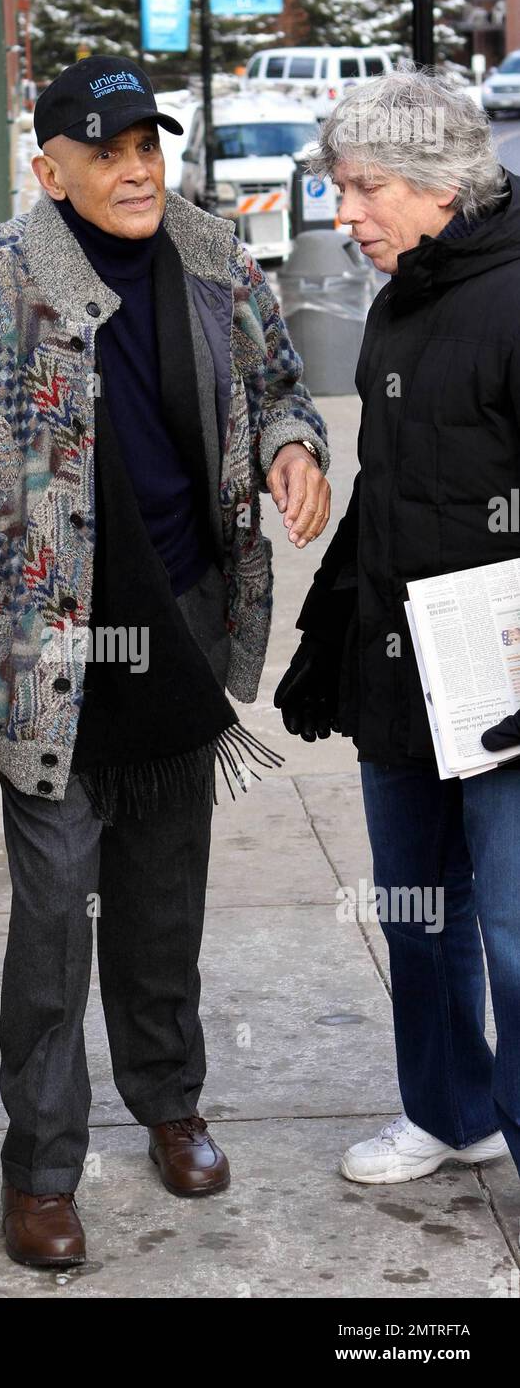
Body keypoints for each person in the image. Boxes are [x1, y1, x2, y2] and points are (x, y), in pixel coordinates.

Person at [0, 55, 331, 1267]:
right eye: (106, 151)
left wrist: (287, 442)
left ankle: (169, 1103)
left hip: (178, 643)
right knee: (58, 923)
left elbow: (280, 387)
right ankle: (43, 1170)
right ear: (48, 167)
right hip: (42, 664)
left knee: (163, 911)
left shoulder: (218, 261)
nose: (134, 171)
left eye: (147, 148)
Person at [275, 65, 519, 1186]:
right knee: (417, 912)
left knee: (514, 938)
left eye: (365, 187)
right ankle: (448, 1109)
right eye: (340, 187)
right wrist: (338, 632)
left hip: (506, 679)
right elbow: (390, 484)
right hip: (402, 659)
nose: (345, 213)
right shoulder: (398, 300)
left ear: (439, 186)